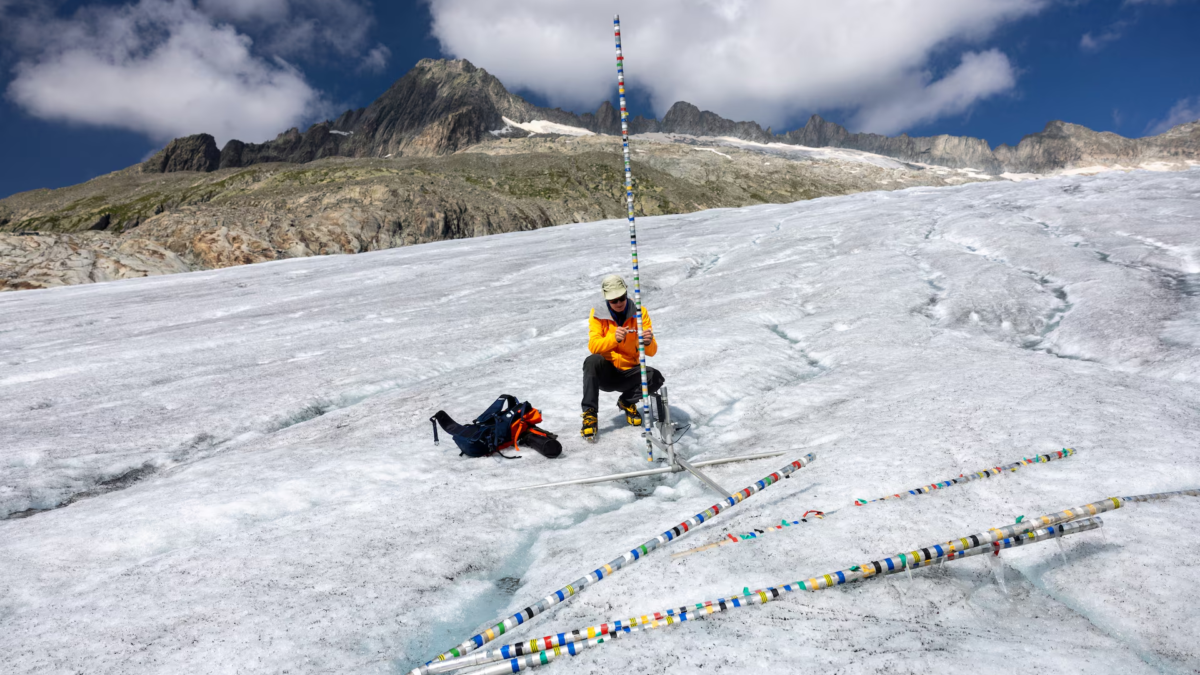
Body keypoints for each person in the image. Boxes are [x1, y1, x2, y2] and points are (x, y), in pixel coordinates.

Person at [581, 274, 664, 440]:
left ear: (626, 294)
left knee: (655, 377)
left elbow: (652, 351)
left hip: (629, 372)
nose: (618, 303)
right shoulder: (597, 315)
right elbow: (593, 346)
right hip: (607, 372)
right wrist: (614, 338)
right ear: (606, 299)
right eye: (613, 300)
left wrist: (647, 342)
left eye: (621, 298)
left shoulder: (640, 313)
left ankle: (626, 401)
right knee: (592, 361)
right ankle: (589, 414)